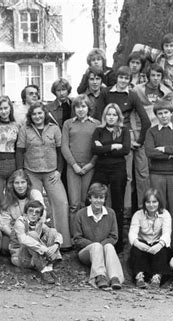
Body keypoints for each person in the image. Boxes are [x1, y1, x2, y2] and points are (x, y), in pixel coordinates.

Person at [95, 66, 150, 215]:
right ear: (116, 77)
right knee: (113, 180)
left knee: (128, 178)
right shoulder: (106, 92)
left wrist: (139, 140)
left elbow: (146, 121)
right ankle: (107, 212)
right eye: (121, 77)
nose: (123, 81)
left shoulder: (131, 95)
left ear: (130, 80)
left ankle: (127, 214)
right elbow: (98, 116)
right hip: (106, 138)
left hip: (125, 138)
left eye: (126, 78)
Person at [16, 102, 71, 248]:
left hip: (51, 172)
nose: (37, 116)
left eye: (40, 113)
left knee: (61, 202)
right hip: (31, 172)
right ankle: (35, 241)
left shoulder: (54, 129)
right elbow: (20, 152)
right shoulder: (25, 129)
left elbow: (60, 151)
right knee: (35, 205)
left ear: (45, 114)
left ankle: (62, 242)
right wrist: (21, 172)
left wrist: (59, 170)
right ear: (30, 116)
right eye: (34, 114)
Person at [91, 103, 130, 252]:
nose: (111, 117)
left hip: (118, 170)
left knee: (117, 205)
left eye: (114, 114)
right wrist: (114, 146)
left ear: (118, 116)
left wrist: (104, 148)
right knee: (97, 201)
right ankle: (97, 239)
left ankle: (118, 243)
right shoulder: (98, 130)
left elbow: (125, 149)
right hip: (101, 169)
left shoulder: (124, 131)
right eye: (109, 114)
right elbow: (94, 149)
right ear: (104, 116)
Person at [73, 183, 124, 290]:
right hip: (86, 253)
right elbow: (77, 238)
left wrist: (101, 246)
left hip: (104, 250)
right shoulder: (81, 214)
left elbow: (114, 237)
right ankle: (99, 276)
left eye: (101, 198)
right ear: (90, 198)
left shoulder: (110, 213)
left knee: (109, 246)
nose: (98, 200)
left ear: (105, 199)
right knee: (96, 246)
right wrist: (96, 246)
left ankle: (115, 277)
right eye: (95, 197)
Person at [145, 99, 173, 222]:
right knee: (158, 208)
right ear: (156, 115)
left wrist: (163, 149)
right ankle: (159, 240)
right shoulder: (151, 131)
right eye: (160, 113)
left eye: (166, 112)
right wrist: (171, 153)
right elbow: (150, 152)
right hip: (157, 174)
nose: (164, 116)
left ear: (171, 113)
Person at [62, 95, 100, 226]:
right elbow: (64, 147)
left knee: (85, 202)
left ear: (88, 108)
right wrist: (74, 165)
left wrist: (91, 164)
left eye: (83, 106)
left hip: (89, 167)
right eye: (77, 107)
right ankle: (74, 237)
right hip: (73, 168)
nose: (80, 109)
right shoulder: (68, 124)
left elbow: (99, 147)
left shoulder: (96, 124)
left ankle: (84, 234)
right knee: (74, 204)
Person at [9, 200, 62, 284]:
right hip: (20, 257)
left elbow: (56, 234)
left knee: (52, 231)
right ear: (25, 212)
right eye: (31, 211)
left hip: (35, 257)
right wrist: (43, 248)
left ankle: (49, 266)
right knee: (32, 234)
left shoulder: (38, 223)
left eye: (37, 212)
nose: (33, 214)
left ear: (40, 216)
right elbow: (23, 239)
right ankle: (44, 270)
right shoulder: (20, 222)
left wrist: (56, 244)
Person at [128, 188, 172, 289]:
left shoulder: (165, 214)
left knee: (162, 251)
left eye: (154, 202)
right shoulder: (138, 215)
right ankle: (139, 276)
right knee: (136, 249)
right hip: (143, 244)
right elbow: (132, 233)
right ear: (144, 203)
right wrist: (138, 244)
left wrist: (159, 245)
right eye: (148, 202)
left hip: (157, 243)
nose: (151, 205)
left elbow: (166, 233)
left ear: (159, 202)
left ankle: (157, 277)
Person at [0, 169, 46, 253]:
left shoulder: (35, 194)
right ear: (12, 184)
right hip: (15, 231)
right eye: (17, 183)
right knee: (4, 248)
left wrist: (32, 235)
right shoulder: (7, 198)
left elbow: (42, 215)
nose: (20, 186)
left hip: (34, 229)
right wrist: (16, 235)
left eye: (23, 182)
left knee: (35, 241)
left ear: (27, 183)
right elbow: (4, 223)